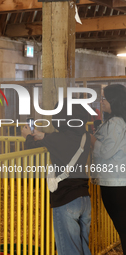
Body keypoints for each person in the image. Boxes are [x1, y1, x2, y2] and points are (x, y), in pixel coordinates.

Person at [21, 99, 91, 255]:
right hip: (84, 199)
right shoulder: (85, 137)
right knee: (83, 248)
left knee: (69, 250)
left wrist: (27, 136)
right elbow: (64, 140)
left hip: (66, 200)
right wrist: (42, 135)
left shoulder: (55, 140)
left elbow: (31, 145)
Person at [90, 84, 126, 254]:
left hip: (115, 182)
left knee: (122, 226)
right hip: (116, 180)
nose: (101, 101)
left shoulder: (116, 123)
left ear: (115, 100)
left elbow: (105, 151)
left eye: (105, 98)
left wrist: (92, 140)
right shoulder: (117, 121)